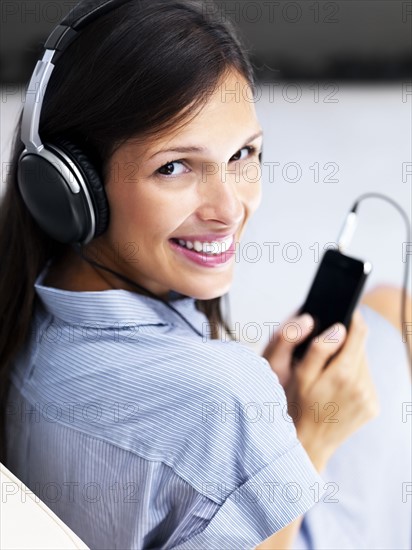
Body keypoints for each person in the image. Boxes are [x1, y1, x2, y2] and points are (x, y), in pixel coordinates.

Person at [0, 1, 410, 549]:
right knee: (395, 313)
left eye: (243, 154)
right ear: (72, 190)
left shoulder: (23, 299)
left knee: (385, 303)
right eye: (174, 167)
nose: (230, 207)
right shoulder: (223, 395)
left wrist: (265, 430)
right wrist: (307, 438)